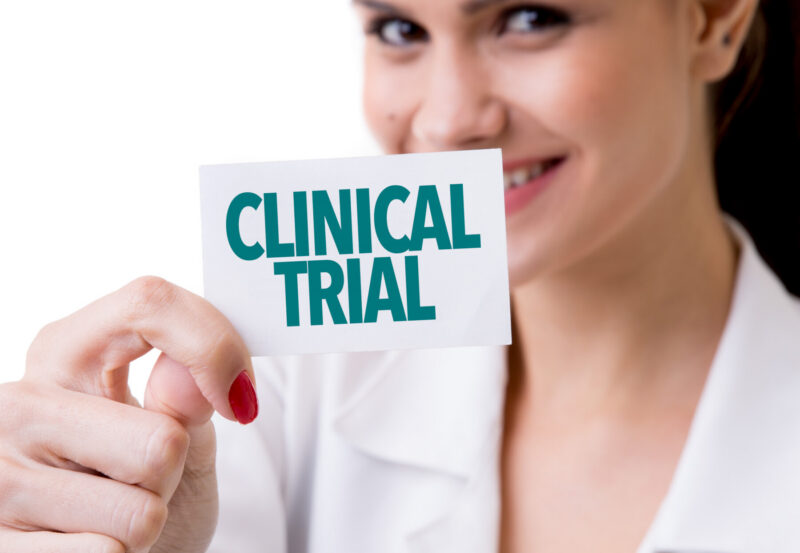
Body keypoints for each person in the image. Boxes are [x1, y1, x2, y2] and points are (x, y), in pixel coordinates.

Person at [0, 0, 798, 551]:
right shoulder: (272, 401)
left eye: (529, 18)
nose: (450, 118)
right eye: (399, 28)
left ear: (714, 18)